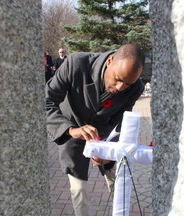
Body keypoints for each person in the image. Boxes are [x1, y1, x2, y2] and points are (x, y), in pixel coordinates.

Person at [46, 44, 145, 216]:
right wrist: (70, 130)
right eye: (118, 78)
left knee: (117, 180)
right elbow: (46, 101)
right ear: (110, 61)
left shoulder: (136, 88)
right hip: (71, 132)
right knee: (79, 189)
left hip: (105, 137)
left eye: (128, 83)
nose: (121, 88)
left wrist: (109, 152)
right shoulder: (75, 64)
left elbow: (121, 120)